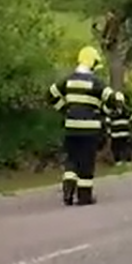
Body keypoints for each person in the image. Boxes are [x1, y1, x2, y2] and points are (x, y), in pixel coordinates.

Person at [48, 46, 121, 206]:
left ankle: (68, 191)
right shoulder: (95, 83)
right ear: (91, 62)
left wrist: (65, 109)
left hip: (71, 127)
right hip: (89, 129)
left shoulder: (68, 80)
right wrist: (118, 99)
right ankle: (84, 197)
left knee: (72, 160)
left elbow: (51, 94)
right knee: (86, 162)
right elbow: (111, 99)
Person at [106, 95, 132, 165]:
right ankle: (118, 161)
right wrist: (108, 133)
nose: (119, 104)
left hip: (125, 134)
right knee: (116, 148)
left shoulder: (127, 112)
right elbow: (108, 123)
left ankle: (128, 161)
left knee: (127, 147)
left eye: (120, 102)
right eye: (117, 102)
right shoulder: (111, 113)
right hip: (115, 135)